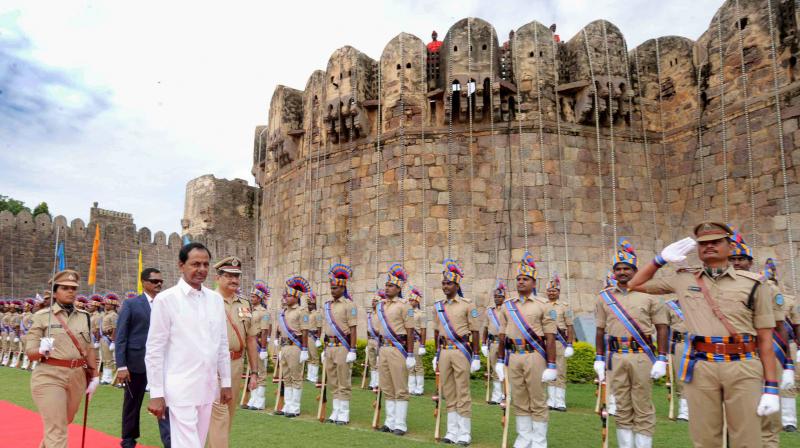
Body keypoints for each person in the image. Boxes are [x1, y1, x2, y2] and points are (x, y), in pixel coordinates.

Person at [628, 222, 781, 448]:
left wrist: (771, 387)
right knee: (705, 439)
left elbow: (765, 340)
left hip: (743, 366)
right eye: (703, 243)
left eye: (716, 242)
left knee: (747, 439)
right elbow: (634, 283)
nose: (709, 246)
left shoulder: (754, 285)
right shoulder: (683, 279)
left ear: (730, 247)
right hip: (701, 367)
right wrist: (660, 259)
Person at [145, 242, 232, 448]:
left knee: (197, 443)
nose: (201, 269)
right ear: (181, 265)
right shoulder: (166, 300)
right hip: (180, 388)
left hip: (208, 386)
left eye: (205, 264)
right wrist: (156, 393)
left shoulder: (215, 300)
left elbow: (221, 343)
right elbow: (154, 350)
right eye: (195, 264)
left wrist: (226, 382)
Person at [594, 239, 669, 448]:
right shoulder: (604, 297)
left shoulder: (650, 294)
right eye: (618, 269)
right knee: (621, 404)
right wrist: (599, 359)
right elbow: (600, 330)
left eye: (627, 268)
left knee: (642, 404)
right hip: (615, 357)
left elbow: (662, 327)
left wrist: (662, 359)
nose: (622, 272)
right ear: (614, 272)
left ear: (636, 270)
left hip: (642, 356)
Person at [727, 231, 794, 448]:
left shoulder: (766, 286)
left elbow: (780, 326)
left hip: (766, 352)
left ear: (750, 262)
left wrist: (787, 363)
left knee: (767, 418)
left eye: (741, 259)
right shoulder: (719, 286)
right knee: (735, 412)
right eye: (733, 259)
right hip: (734, 355)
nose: (737, 263)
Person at [25, 269, 100, 448]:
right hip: (49, 376)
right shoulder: (42, 317)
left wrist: (95, 374)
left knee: (61, 423)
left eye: (73, 288)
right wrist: (41, 350)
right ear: (55, 291)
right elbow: (30, 352)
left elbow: (88, 348)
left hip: (77, 377)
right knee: (57, 429)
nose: (70, 291)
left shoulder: (85, 317)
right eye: (65, 288)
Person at [494, 252, 558, 448]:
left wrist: (552, 365)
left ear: (533, 282)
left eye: (525, 279)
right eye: (519, 279)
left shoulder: (544, 305)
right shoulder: (507, 306)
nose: (521, 282)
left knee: (537, 399)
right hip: (514, 356)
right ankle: (524, 438)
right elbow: (502, 336)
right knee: (520, 399)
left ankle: (539, 441)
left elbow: (550, 337)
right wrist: (499, 360)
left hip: (535, 356)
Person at [115, 267, 171, 448]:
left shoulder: (167, 303)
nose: (159, 284)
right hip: (136, 362)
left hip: (163, 362)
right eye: (155, 281)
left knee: (166, 401)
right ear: (144, 282)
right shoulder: (132, 304)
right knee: (133, 402)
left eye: (161, 281)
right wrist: (121, 366)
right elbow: (121, 336)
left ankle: (170, 441)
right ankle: (129, 440)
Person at [208, 256, 260, 448]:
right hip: (213, 366)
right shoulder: (208, 301)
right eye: (229, 276)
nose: (234, 280)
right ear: (217, 277)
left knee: (228, 414)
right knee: (217, 413)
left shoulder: (245, 304)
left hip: (236, 365)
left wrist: (254, 372)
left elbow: (251, 338)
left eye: (237, 276)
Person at [433, 259, 481, 445]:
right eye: (444, 283)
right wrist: (436, 355)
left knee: (462, 390)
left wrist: (476, 356)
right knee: (448, 391)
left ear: (457, 284)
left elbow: (475, 331)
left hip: (461, 350)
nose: (446, 286)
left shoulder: (467, 304)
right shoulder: (438, 306)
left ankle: (464, 432)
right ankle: (452, 431)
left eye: (449, 283)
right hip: (444, 351)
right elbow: (437, 333)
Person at [375, 263, 416, 435]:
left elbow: (410, 331)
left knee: (400, 386)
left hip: (398, 349)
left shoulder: (405, 306)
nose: (387, 288)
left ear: (398, 288)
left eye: (390, 285)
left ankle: (400, 424)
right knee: (387, 387)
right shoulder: (381, 306)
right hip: (384, 348)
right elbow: (379, 332)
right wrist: (378, 351)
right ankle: (389, 421)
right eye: (386, 285)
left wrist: (411, 354)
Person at [764, 258, 799, 432]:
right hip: (765, 342)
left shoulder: (789, 300)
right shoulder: (758, 295)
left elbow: (796, 325)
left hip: (785, 344)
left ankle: (789, 421)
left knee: (787, 384)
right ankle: (768, 419)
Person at [321, 263, 358, 424]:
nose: (332, 290)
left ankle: (344, 412)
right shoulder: (327, 306)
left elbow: (353, 328)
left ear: (343, 288)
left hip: (343, 347)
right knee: (333, 381)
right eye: (331, 287)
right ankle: (335, 411)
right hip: (329, 347)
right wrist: (323, 348)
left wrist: (353, 349)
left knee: (344, 381)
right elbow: (326, 328)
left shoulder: (350, 305)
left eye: (335, 288)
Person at [276, 275, 312, 417]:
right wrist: (279, 347)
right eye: (286, 296)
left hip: (295, 346)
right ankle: (287, 405)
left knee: (296, 377)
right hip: (284, 347)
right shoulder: (283, 312)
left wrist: (304, 349)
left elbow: (304, 331)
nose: (286, 298)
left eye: (289, 296)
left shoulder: (301, 311)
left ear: (296, 297)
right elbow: (281, 331)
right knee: (286, 376)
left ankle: (295, 407)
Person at [544, 273, 575, 412]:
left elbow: (570, 326)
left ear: (558, 292)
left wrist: (569, 344)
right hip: (546, 342)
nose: (551, 293)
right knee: (549, 369)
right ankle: (551, 400)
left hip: (559, 342)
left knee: (560, 370)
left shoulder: (565, 306)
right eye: (549, 290)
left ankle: (560, 401)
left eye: (554, 290)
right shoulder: (542, 305)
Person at [244, 280, 271, 411]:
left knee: (261, 372)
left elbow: (265, 331)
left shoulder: (264, 312)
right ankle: (253, 398)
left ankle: (260, 400)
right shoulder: (249, 310)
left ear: (260, 298)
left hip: (259, 344)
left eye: (254, 296)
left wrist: (264, 348)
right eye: (251, 296)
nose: (251, 298)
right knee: (252, 371)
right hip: (251, 344)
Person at [482, 280, 507, 405]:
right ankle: (496, 396)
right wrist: (483, 344)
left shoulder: (508, 310)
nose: (497, 298)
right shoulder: (489, 311)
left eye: (500, 296)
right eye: (496, 296)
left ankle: (505, 394)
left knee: (504, 370)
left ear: (504, 297)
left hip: (504, 344)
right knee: (494, 370)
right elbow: (485, 328)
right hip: (492, 343)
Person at [665, 296, 689, 421]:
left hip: (696, 343)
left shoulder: (701, 303)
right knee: (680, 378)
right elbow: (665, 328)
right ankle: (684, 410)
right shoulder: (670, 305)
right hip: (678, 344)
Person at [408, 287, 427, 396]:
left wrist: (423, 345)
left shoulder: (421, 314)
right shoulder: (407, 313)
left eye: (412, 300)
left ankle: (419, 388)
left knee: (418, 365)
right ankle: (411, 387)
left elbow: (423, 330)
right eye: (410, 300)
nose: (410, 302)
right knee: (410, 366)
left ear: (417, 301)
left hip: (416, 342)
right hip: (408, 343)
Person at [366, 290, 385, 391]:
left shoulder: (381, 314)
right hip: (370, 340)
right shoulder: (369, 314)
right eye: (372, 301)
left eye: (375, 301)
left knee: (378, 363)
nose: (373, 303)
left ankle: (377, 382)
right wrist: (366, 342)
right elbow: (367, 329)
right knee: (372, 362)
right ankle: (372, 382)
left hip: (378, 340)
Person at [100, 292, 120, 384]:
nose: (106, 305)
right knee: (104, 358)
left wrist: (113, 340)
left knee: (109, 359)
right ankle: (105, 377)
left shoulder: (113, 315)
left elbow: (115, 328)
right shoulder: (105, 314)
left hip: (109, 338)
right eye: (105, 303)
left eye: (108, 304)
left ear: (113, 305)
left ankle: (108, 378)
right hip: (103, 337)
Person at [306, 293, 323, 384]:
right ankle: (309, 376)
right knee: (309, 357)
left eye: (311, 304)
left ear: (314, 304)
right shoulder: (306, 314)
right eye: (308, 304)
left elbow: (320, 326)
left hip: (313, 336)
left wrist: (318, 339)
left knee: (315, 357)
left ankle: (314, 376)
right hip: (306, 336)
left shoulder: (317, 314)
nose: (309, 306)